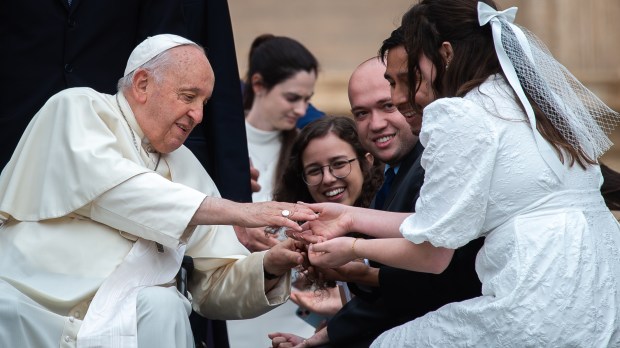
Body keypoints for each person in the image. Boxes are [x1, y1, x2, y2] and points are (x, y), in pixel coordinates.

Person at [303, 0, 620, 346]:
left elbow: (433, 254)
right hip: (601, 290)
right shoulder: (529, 101)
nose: (402, 95)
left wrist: (350, 248)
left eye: (412, 72)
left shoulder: (458, 114)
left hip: (536, 293)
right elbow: (436, 221)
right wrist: (348, 217)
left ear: (446, 53)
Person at [0, 34, 319, 348]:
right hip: (32, 305)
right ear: (141, 84)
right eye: (188, 96)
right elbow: (116, 189)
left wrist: (270, 265)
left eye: (204, 102)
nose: (198, 115)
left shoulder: (187, 167)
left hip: (129, 316)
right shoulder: (79, 107)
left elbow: (212, 284)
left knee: (164, 306)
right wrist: (239, 211)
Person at [243, 34, 319, 204]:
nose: (301, 110)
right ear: (258, 84)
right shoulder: (218, 141)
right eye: (292, 98)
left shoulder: (305, 147)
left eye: (307, 99)